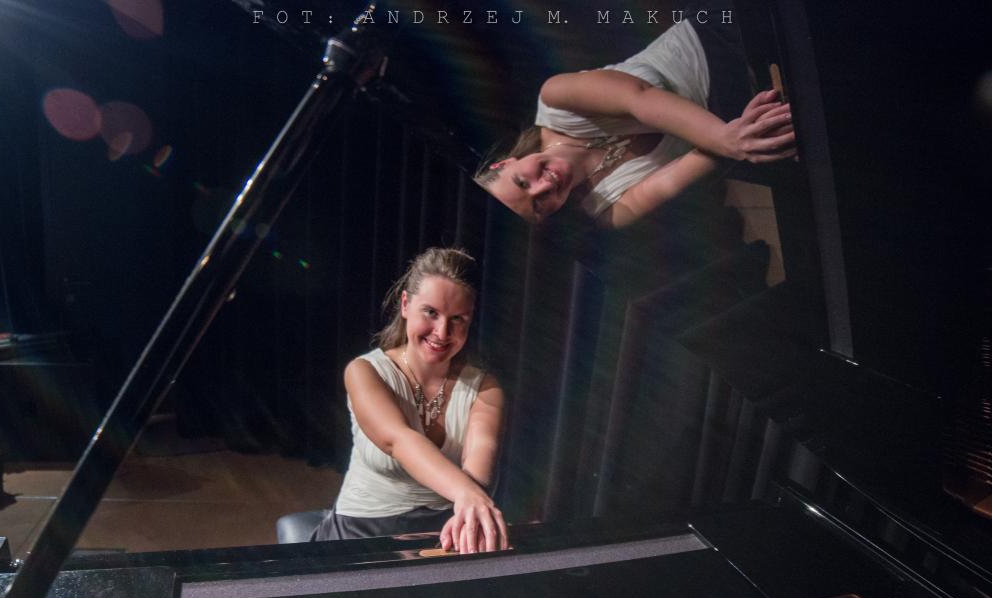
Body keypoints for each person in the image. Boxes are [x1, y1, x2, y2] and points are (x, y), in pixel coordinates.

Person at [475, 11, 795, 228]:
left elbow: (639, 98)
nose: (545, 186)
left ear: (504, 163)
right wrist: (740, 139)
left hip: (718, 42)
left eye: (522, 182)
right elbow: (695, 163)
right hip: (736, 119)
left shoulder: (555, 99)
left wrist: (728, 139)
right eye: (538, 205)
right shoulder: (608, 211)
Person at [313, 248, 508, 554]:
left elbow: (480, 466)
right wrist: (467, 493)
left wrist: (470, 500)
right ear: (405, 305)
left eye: (458, 319)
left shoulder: (486, 387)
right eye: (431, 312)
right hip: (362, 529)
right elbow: (398, 440)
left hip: (444, 528)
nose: (442, 332)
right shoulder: (364, 371)